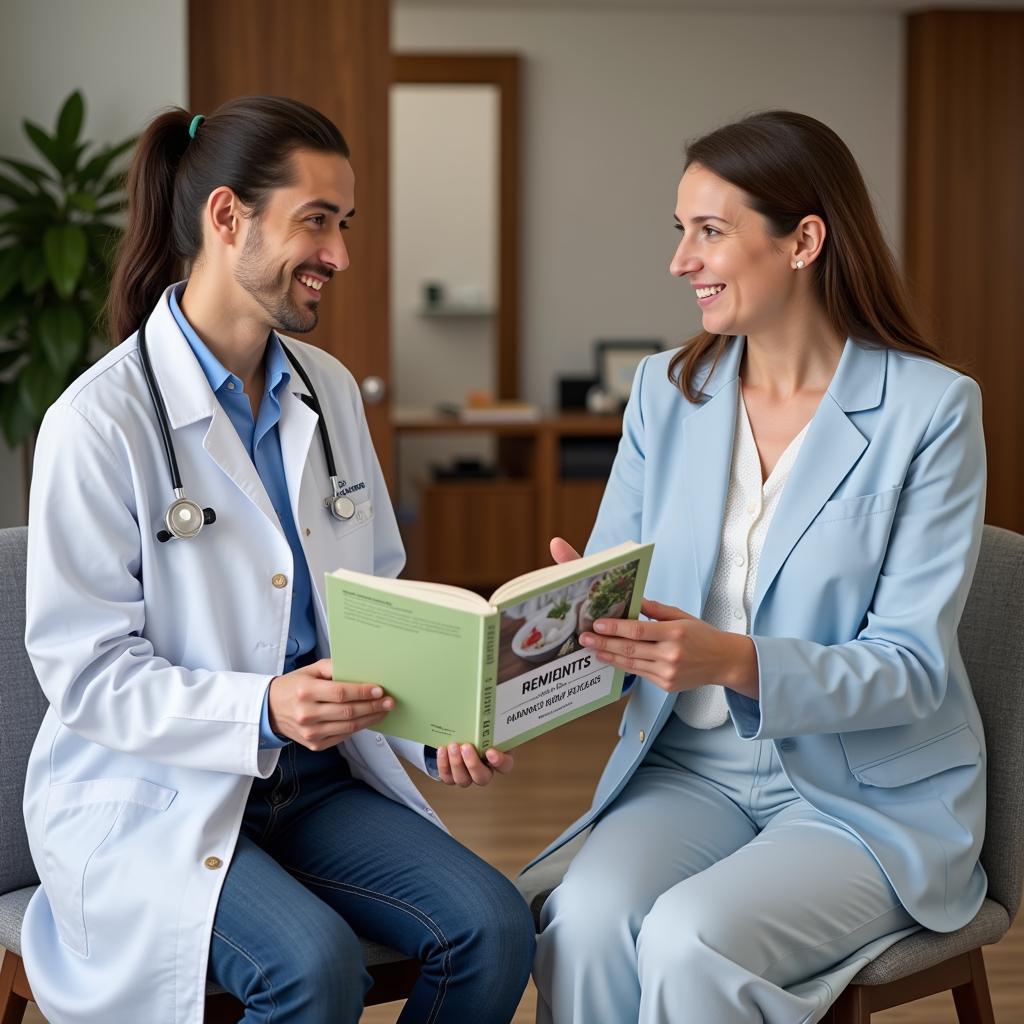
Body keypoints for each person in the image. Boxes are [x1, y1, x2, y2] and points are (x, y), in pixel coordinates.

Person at [22, 96, 535, 1024]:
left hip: (320, 777)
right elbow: (85, 674)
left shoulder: (325, 389)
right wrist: (260, 706)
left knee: (495, 928)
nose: (338, 253)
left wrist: (441, 725)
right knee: (311, 965)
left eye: (343, 224)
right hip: (163, 791)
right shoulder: (98, 423)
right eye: (317, 222)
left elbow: (377, 599)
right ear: (227, 218)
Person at [527, 110, 987, 1024]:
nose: (680, 261)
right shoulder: (668, 392)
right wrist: (552, 641)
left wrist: (729, 659)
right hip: (688, 770)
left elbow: (914, 667)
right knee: (581, 920)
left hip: (863, 791)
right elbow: (620, 600)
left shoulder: (930, 410)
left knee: (691, 937)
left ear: (805, 240)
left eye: (710, 232)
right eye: (679, 232)